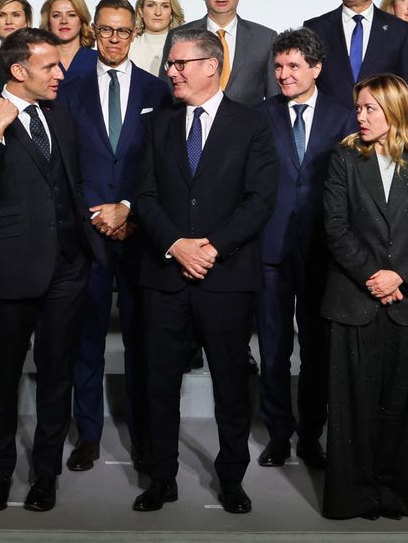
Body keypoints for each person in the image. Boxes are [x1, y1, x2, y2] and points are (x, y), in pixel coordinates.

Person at [132, 28, 277, 514]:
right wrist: (176, 245)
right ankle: (161, 477)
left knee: (231, 385)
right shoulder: (157, 125)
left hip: (227, 277)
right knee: (160, 383)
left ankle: (232, 478)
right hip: (165, 276)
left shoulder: (252, 125)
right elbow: (145, 198)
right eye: (169, 64)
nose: (170, 71)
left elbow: (260, 201)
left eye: (179, 63)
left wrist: (211, 247)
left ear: (211, 65)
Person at [0, 27, 104, 513]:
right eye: (49, 66)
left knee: (57, 375)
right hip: (9, 270)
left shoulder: (60, 114)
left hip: (67, 268)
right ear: (19, 72)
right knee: (0, 379)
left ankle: (46, 475)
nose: (61, 73)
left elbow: (72, 181)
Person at [321, 73, 408, 520]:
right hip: (355, 298)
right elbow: (334, 226)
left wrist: (400, 277)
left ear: (395, 111)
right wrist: (374, 275)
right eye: (359, 108)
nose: (361, 116)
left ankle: (404, 496)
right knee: (354, 405)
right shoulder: (344, 158)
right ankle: (356, 496)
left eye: (370, 108)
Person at [57, 0, 171, 474]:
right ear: (93, 32)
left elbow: (159, 165)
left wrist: (126, 209)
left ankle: (145, 436)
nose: (114, 39)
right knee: (87, 339)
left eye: (124, 31)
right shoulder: (70, 89)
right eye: (106, 30)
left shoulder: (157, 90)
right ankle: (88, 434)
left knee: (143, 341)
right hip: (89, 235)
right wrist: (94, 214)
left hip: (139, 232)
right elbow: (66, 163)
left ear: (135, 31)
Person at [251, 28, 355, 470]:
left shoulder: (344, 116)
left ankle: (312, 435)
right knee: (273, 349)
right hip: (270, 248)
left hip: (321, 249)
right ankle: (278, 433)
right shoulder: (258, 115)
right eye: (278, 67)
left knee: (317, 350)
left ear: (316, 68)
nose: (284, 74)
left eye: (294, 66)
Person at [304, 0, 408, 105]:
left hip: (381, 125)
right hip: (330, 126)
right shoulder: (315, 28)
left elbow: (407, 90)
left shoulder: (400, 31)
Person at [160, 0, 277, 107]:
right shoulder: (179, 36)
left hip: (247, 127)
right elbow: (166, 94)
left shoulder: (265, 38)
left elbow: (275, 102)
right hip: (191, 126)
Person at [40, 0, 98, 82]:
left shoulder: (98, 61)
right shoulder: (38, 61)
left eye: (71, 15)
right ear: (48, 22)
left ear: (82, 19)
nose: (64, 21)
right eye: (56, 15)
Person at [128, 0, 184, 76]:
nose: (158, 12)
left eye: (165, 6)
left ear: (172, 13)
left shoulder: (184, 46)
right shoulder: (129, 47)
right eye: (151, 5)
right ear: (141, 11)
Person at [0, 0, 30, 80]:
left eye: (16, 15)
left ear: (26, 21)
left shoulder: (39, 58)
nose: (8, 21)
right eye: (2, 15)